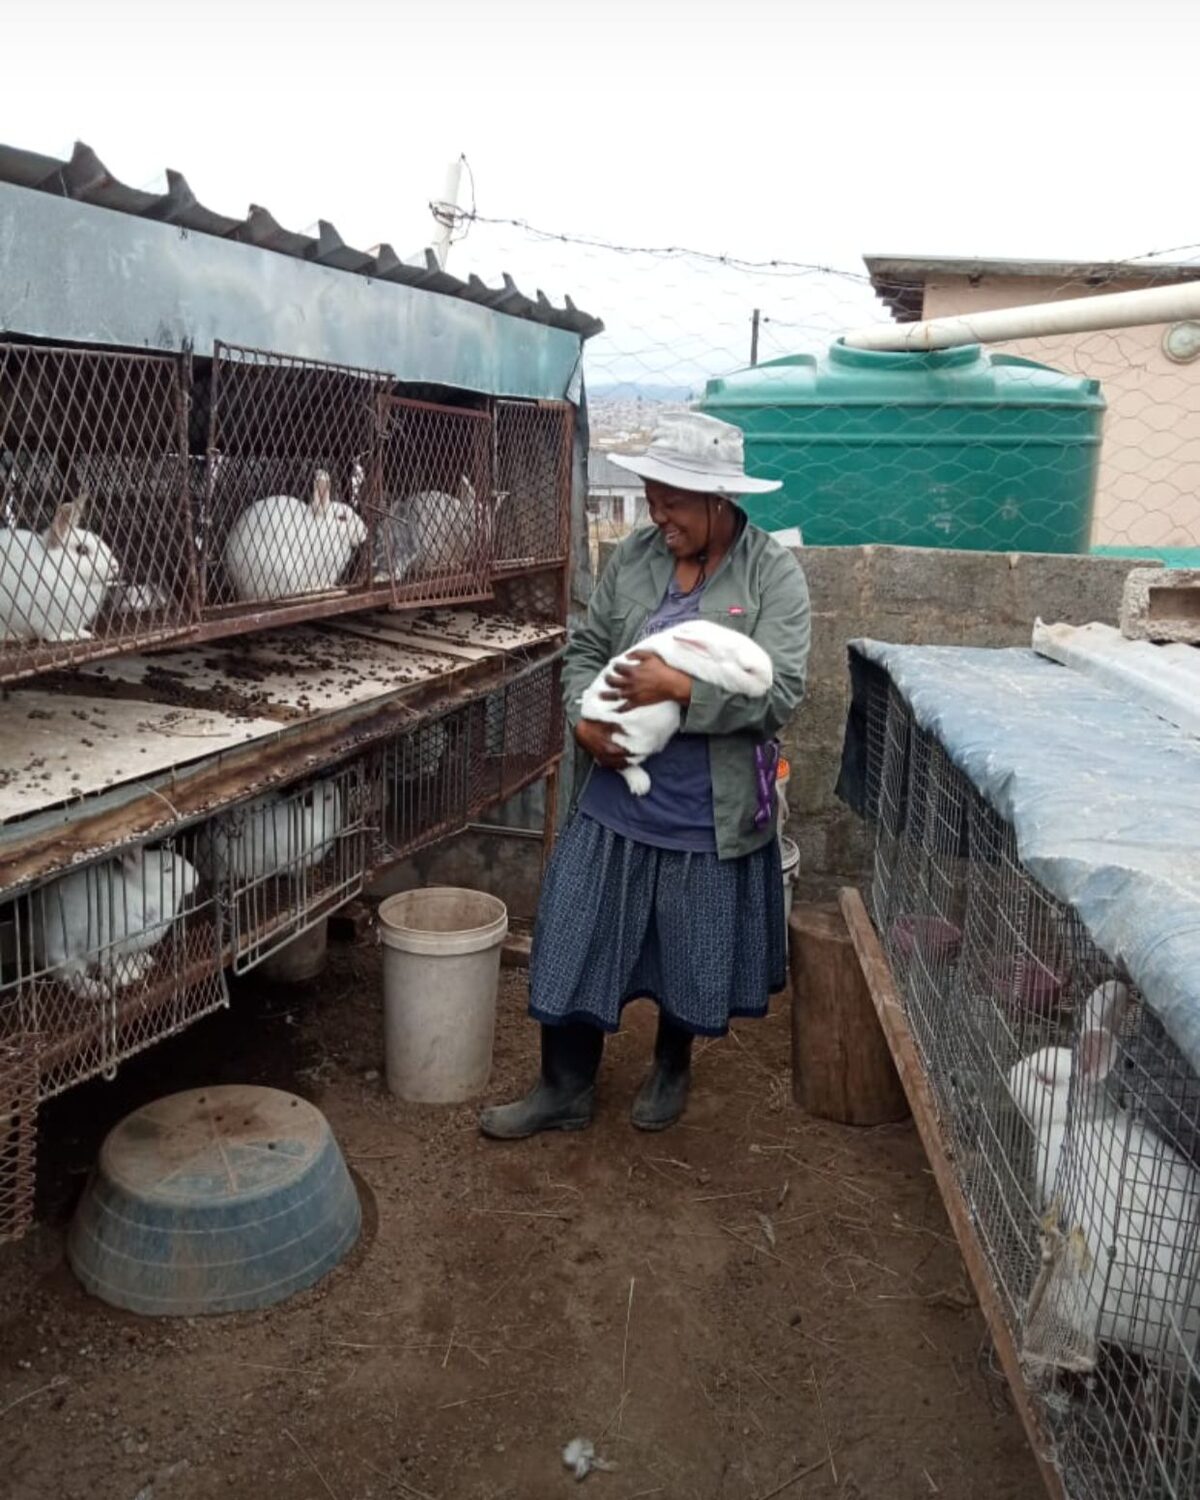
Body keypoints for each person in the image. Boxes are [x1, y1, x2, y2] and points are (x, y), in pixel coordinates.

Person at [479, 411, 811, 1138]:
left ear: (719, 502)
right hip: (615, 798)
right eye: (653, 499)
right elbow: (586, 649)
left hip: (705, 811)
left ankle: (670, 1066)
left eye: (673, 503)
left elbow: (781, 693)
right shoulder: (634, 558)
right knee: (573, 930)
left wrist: (682, 690)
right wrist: (583, 720)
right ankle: (563, 1087)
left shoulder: (771, 574)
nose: (658, 516)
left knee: (685, 951)